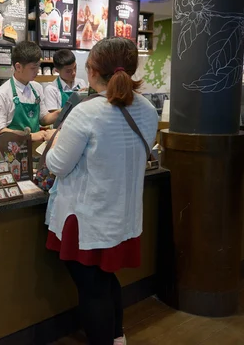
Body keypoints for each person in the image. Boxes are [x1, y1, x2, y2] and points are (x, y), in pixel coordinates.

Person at [44, 37, 158, 345]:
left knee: (91, 286)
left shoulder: (87, 112)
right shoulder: (148, 109)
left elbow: (57, 164)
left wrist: (52, 143)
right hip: (122, 214)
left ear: (92, 71)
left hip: (87, 217)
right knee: (105, 277)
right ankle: (117, 337)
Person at [0, 41, 56, 142]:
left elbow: (43, 118)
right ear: (18, 67)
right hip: (12, 153)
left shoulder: (37, 88)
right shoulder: (2, 94)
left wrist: (62, 112)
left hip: (34, 149)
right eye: (33, 67)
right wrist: (29, 137)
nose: (37, 70)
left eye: (38, 66)